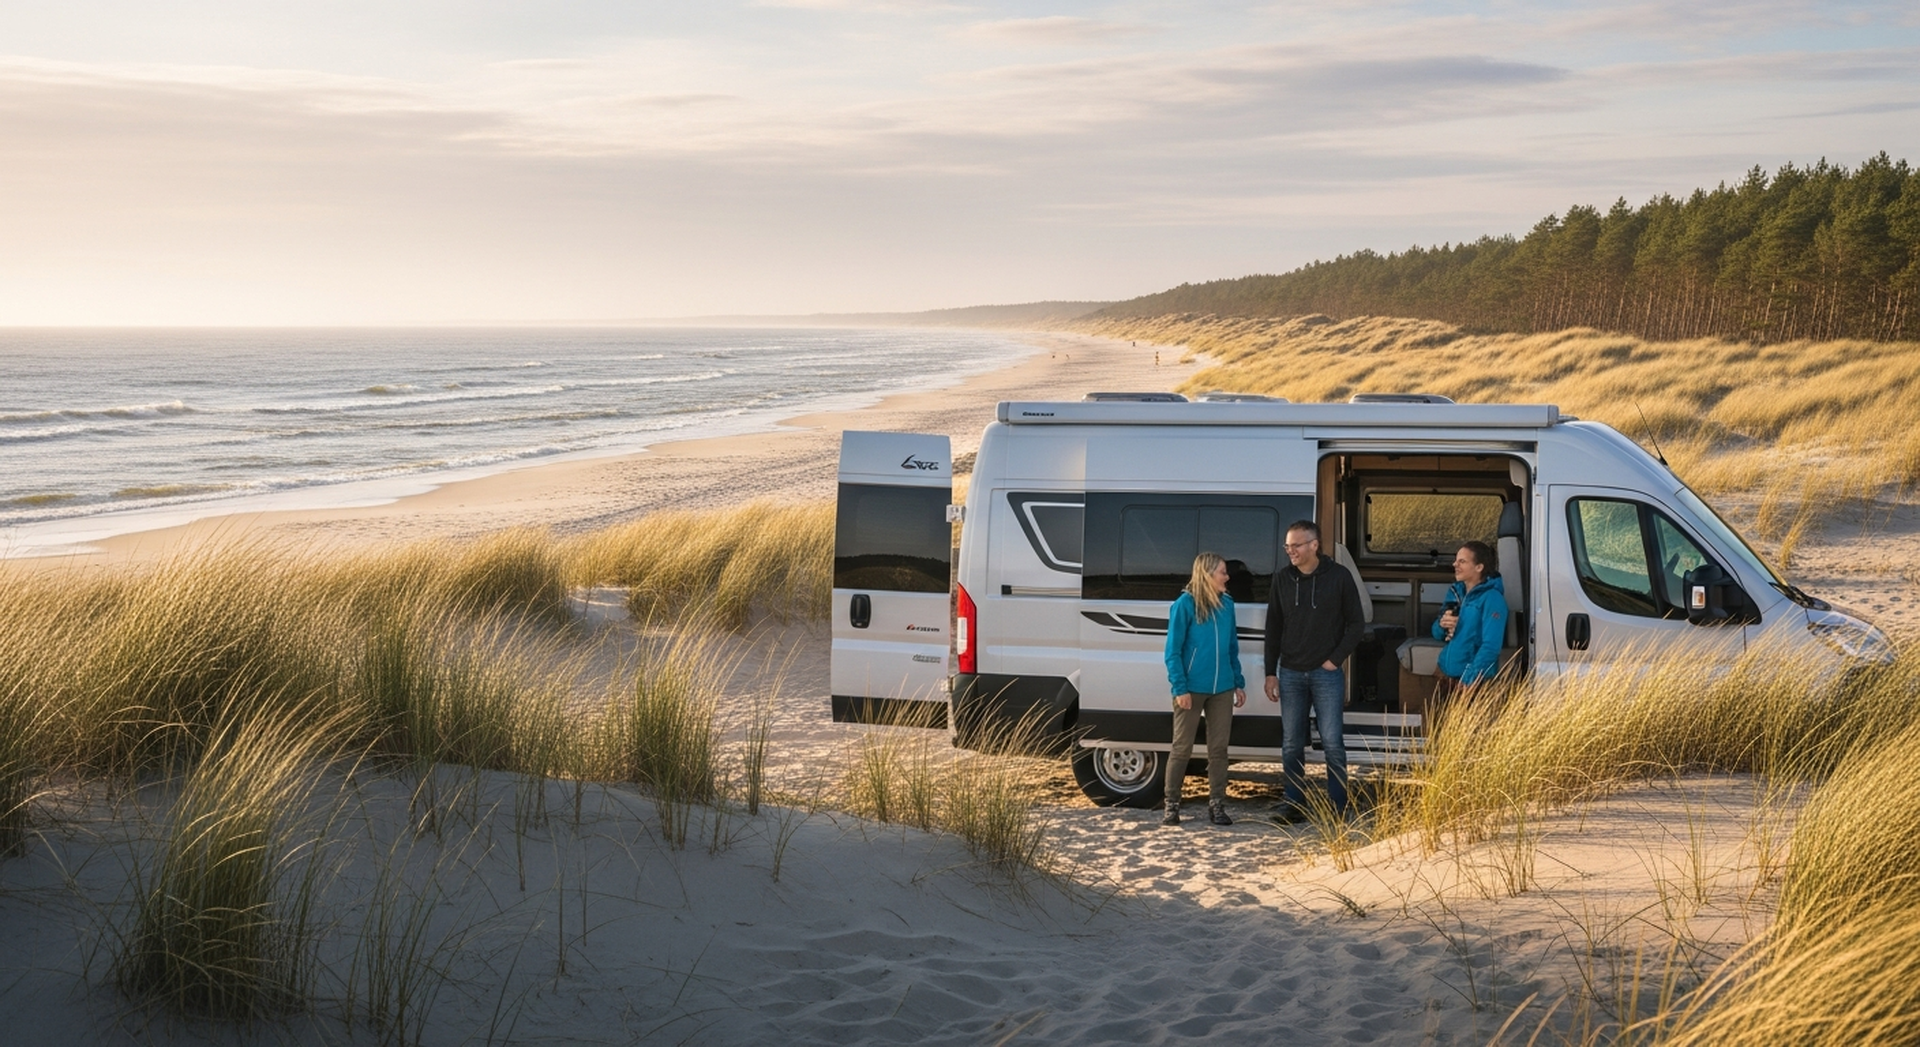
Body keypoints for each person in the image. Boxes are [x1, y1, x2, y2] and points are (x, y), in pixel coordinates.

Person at [1262, 521, 1365, 822]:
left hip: (1326, 674)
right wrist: (1271, 672)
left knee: (1333, 742)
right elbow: (1273, 628)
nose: (1290, 551)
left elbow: (1356, 624)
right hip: (1291, 672)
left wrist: (1335, 659)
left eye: (1296, 545)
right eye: (1287, 546)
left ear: (1314, 545)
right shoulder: (1282, 579)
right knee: (1292, 743)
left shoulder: (1339, 577)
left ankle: (1339, 806)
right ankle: (1293, 804)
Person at [1162, 551, 1247, 826]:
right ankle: (1172, 805)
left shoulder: (1228, 605)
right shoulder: (1184, 605)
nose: (1227, 576)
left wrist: (1238, 682)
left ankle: (1217, 806)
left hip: (1222, 688)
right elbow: (1172, 652)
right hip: (1190, 688)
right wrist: (1180, 687)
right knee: (1182, 747)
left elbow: (1232, 648)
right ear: (1207, 575)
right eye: (1222, 572)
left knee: (1219, 750)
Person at [1434, 541, 1507, 691]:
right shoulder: (1456, 593)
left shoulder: (1493, 599)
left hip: (1471, 682)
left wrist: (1469, 679)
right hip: (1444, 674)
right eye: (1455, 560)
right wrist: (1443, 626)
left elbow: (1491, 646)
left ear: (1479, 567)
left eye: (1462, 561)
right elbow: (1436, 633)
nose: (1455, 564)